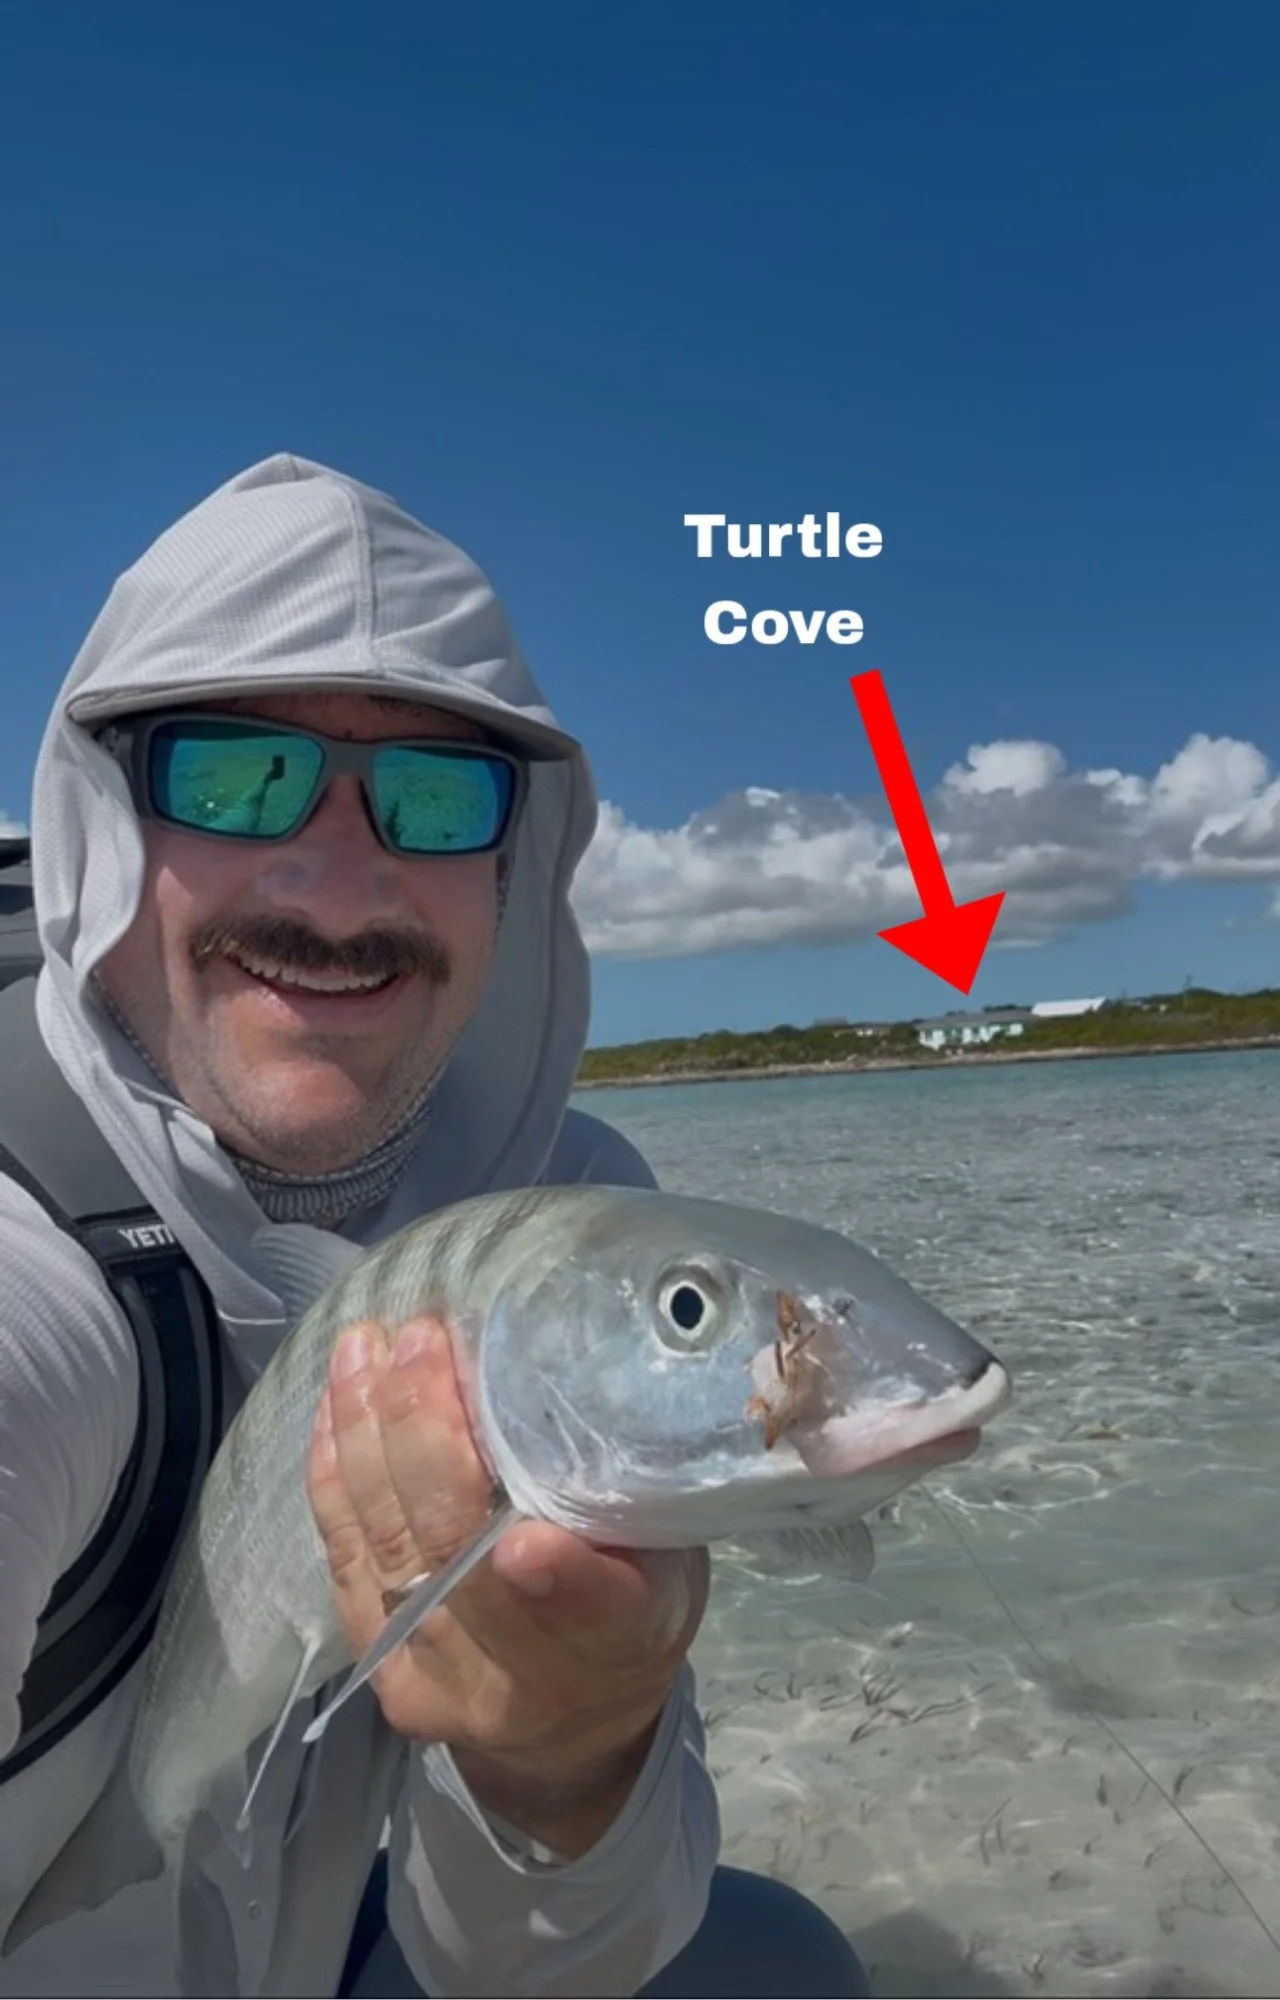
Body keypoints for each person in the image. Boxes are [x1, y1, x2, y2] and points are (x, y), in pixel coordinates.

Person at [0, 453, 871, 1997]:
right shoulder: (32, 1275)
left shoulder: (581, 1222)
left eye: (433, 792)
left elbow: (538, 1974)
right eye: (231, 773)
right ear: (102, 817)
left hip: (321, 1936)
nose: (338, 888)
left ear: (514, 865)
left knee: (769, 1962)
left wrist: (570, 1761)